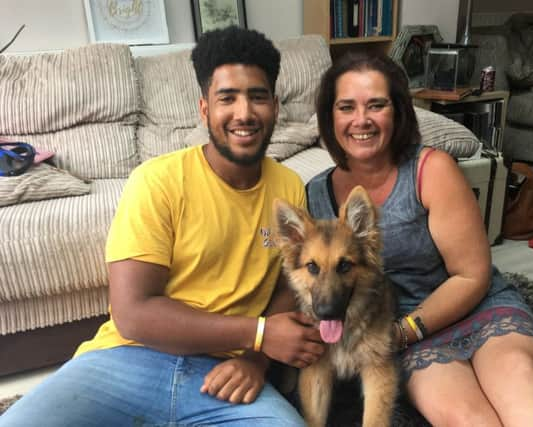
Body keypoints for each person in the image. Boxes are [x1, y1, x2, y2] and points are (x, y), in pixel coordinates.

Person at [0, 26, 324, 427]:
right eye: (228, 98)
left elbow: (286, 284)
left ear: (275, 107)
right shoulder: (157, 181)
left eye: (257, 97)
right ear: (205, 109)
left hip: (227, 373)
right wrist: (258, 335)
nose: (244, 113)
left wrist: (256, 360)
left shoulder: (289, 187)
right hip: (129, 357)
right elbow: (133, 314)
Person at [306, 51, 533, 427]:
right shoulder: (316, 196)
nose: (361, 120)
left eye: (377, 105)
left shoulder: (431, 170)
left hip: (475, 309)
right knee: (466, 418)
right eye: (346, 107)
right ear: (329, 116)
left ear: (398, 111)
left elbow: (471, 275)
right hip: (404, 332)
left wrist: (402, 332)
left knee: (523, 388)